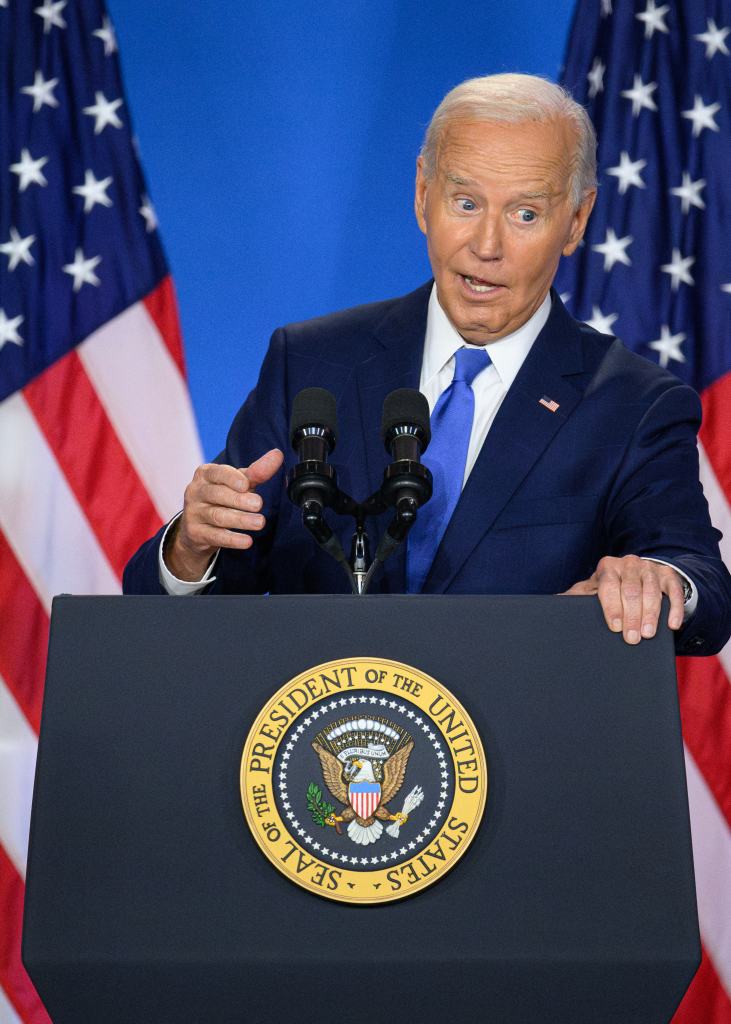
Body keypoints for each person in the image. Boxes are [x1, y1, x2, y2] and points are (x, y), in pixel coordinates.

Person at [123, 74, 731, 656]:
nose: (486, 245)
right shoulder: (309, 363)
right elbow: (180, 596)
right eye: (465, 202)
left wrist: (654, 578)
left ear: (575, 221)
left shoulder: (632, 403)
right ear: (422, 195)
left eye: (525, 214)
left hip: (517, 752)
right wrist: (190, 545)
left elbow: (701, 580)